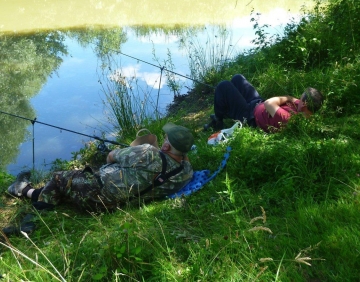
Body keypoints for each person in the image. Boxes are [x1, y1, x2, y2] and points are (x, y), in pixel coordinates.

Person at [7, 123, 194, 211]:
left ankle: (25, 191)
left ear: (166, 146)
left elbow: (110, 157)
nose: (164, 140)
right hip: (121, 204)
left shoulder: (147, 152)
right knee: (76, 182)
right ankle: (43, 194)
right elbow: (180, 160)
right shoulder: (186, 172)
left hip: (98, 196)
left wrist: (139, 152)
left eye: (166, 139)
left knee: (59, 177)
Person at [204, 74, 324, 133]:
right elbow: (292, 101)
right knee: (238, 78)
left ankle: (218, 120)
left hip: (249, 116)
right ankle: (227, 109)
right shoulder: (305, 110)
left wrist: (287, 97)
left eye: (300, 98)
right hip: (256, 104)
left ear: (304, 104)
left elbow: (269, 103)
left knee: (224, 85)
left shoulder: (290, 119)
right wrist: (292, 100)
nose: (297, 99)